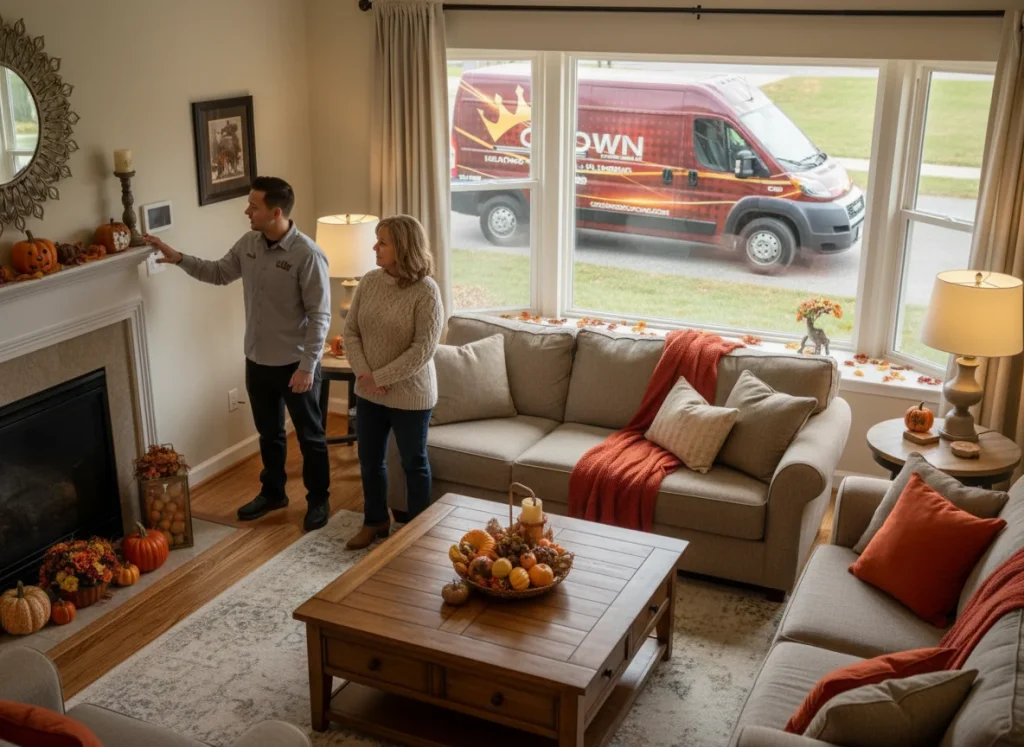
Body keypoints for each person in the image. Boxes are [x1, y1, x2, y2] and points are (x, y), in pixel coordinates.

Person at [145, 176, 333, 532]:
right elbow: (218, 273)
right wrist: (178, 258)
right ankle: (274, 492)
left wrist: (308, 367)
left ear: (275, 212)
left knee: (310, 437)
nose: (247, 211)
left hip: (297, 366)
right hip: (257, 361)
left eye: (253, 206)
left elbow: (320, 316)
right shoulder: (249, 244)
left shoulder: (307, 255)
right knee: (270, 433)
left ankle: (318, 500)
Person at [343, 215, 444, 550]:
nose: (375, 247)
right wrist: (364, 376)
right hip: (369, 391)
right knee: (370, 460)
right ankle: (376, 521)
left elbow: (423, 350)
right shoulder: (370, 281)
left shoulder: (426, 291)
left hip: (411, 395)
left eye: (382, 241)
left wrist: (379, 378)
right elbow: (351, 331)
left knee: (414, 462)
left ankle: (417, 532)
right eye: (377, 240)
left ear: (403, 247)